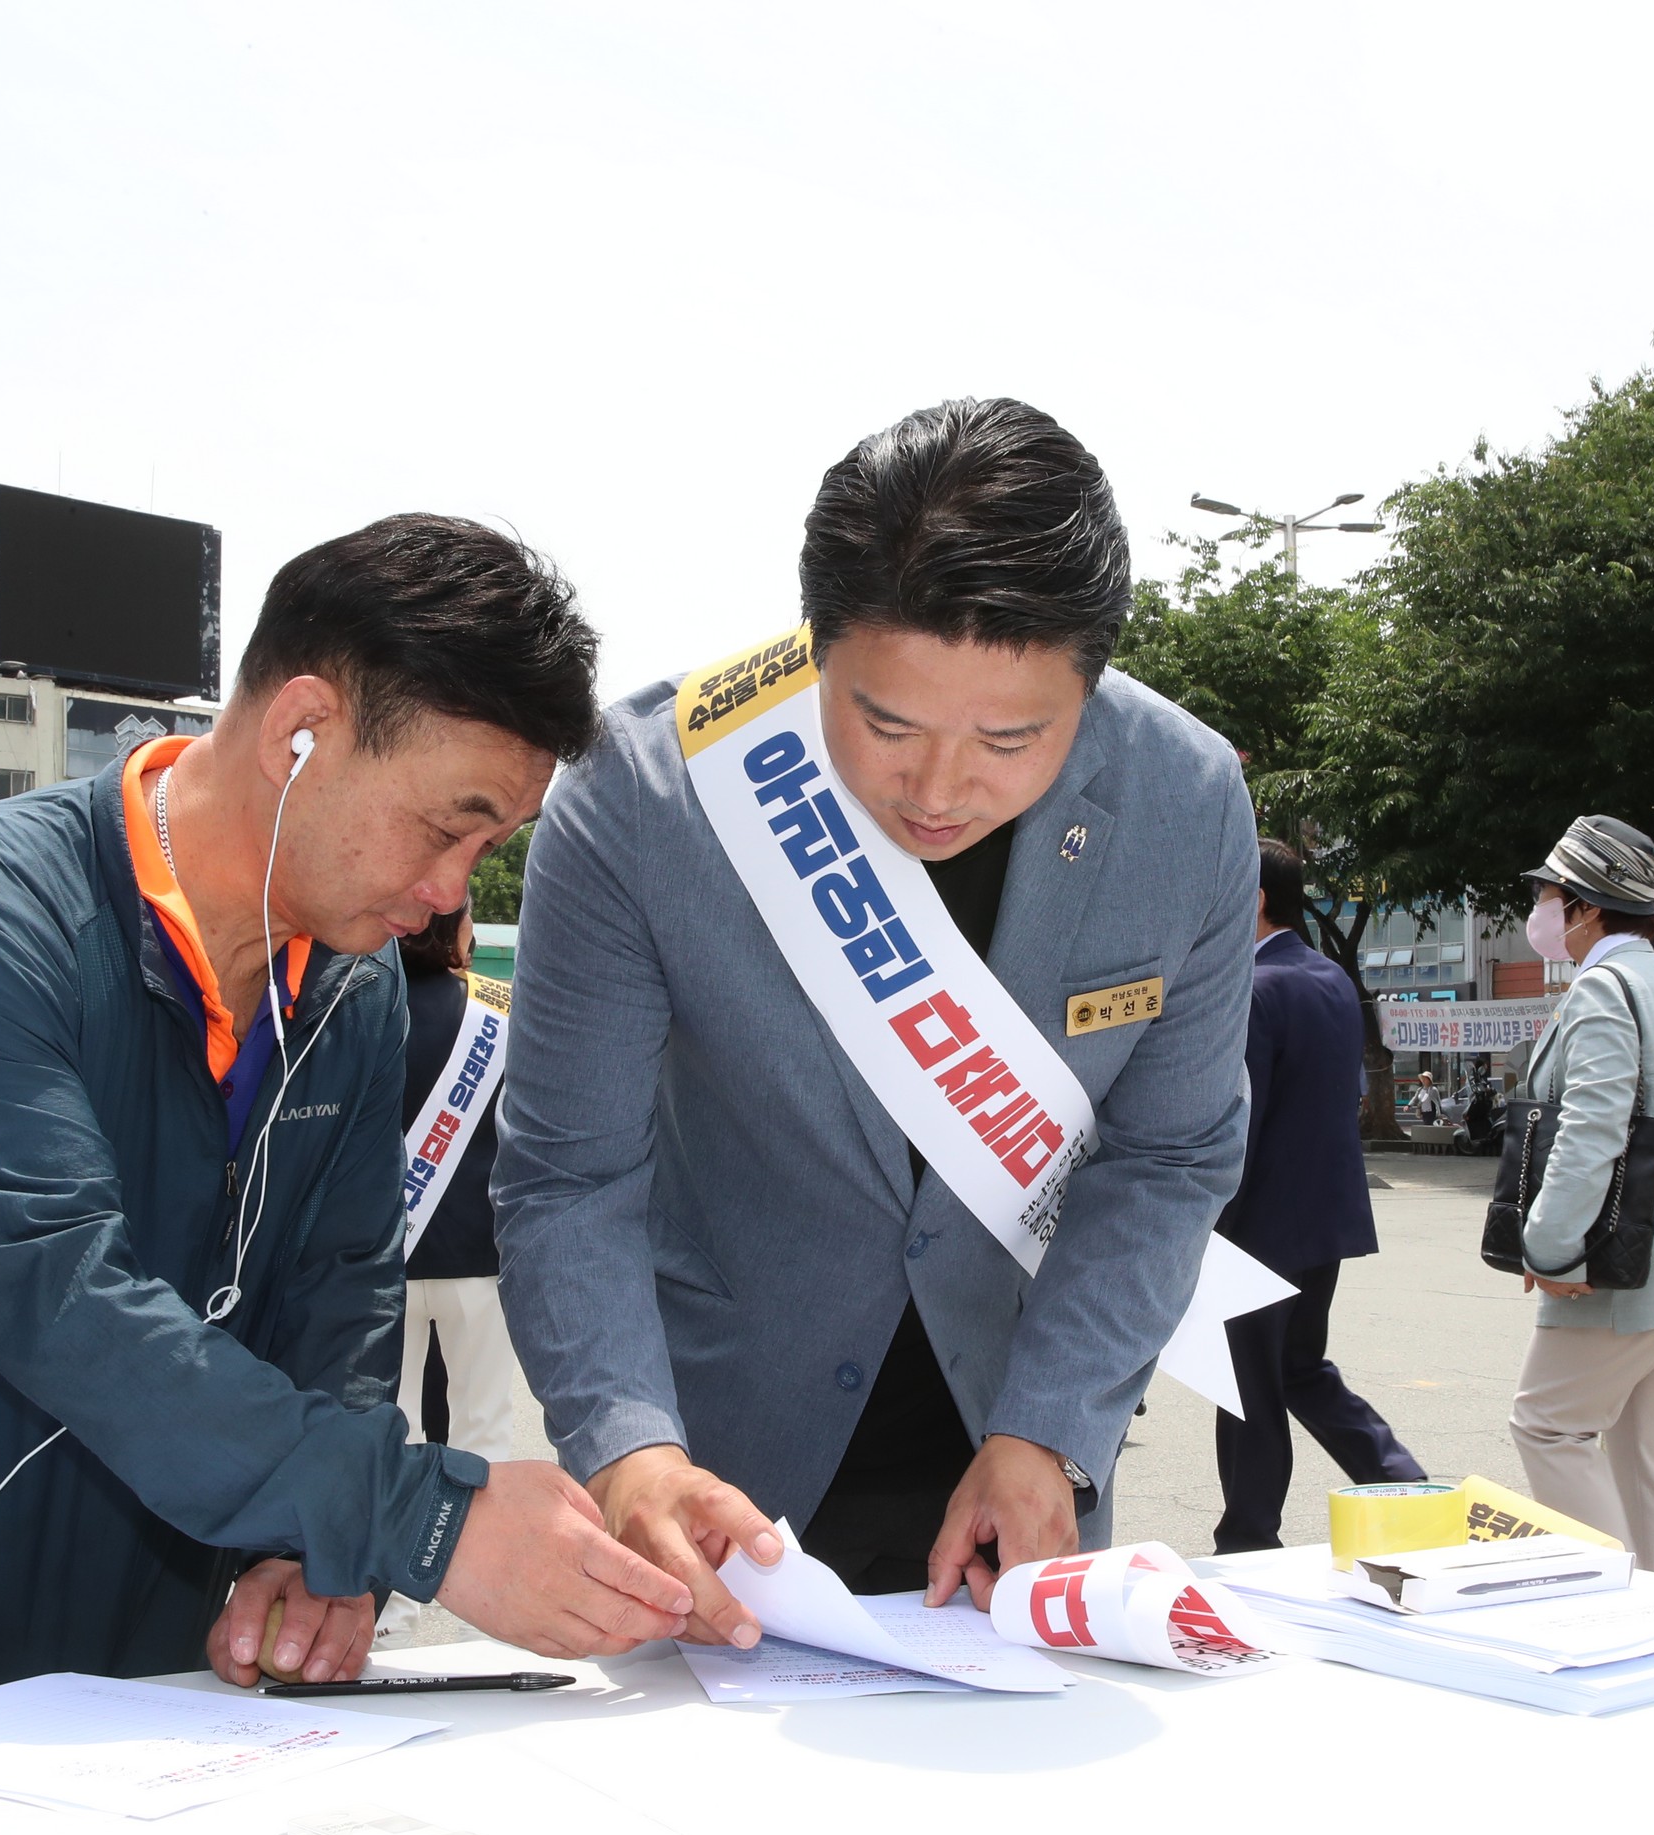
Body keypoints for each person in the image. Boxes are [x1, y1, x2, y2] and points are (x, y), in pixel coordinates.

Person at [0, 516, 695, 1718]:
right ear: (302, 731)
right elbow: (65, 1299)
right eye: (449, 826)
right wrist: (423, 1517)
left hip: (177, 1684)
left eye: (491, 844)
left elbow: (344, 1295)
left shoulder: (353, 981)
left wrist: (317, 1558)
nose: (452, 891)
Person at [497, 396, 1257, 1649]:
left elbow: (1171, 1153)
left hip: (1014, 1466)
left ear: (1094, 679)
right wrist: (628, 1448)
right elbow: (570, 1177)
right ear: (816, 646)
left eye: (1014, 739)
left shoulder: (1185, 800)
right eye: (885, 722)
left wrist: (1052, 1427)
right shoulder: (646, 795)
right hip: (713, 1483)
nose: (940, 788)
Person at [1503, 816, 1654, 1576]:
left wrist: (1549, 1245)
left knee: (1548, 1426)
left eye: (1547, 893)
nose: (1539, 908)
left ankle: (1613, 1596)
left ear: (1586, 906)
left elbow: (1591, 1131)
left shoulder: (1604, 989)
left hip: (1622, 1260)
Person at [1211, 839, 1424, 1553]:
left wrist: (1208, 1224)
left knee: (1246, 1387)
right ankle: (1404, 1483)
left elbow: (1240, 1121)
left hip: (1258, 1227)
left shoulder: (1253, 989)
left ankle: (1248, 1536)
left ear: (1255, 899)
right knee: (1300, 1369)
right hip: (1324, 1222)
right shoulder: (1329, 977)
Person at [396, 899, 525, 1452]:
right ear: (455, 930)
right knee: (483, 1430)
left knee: (387, 1431)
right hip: (478, 1254)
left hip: (384, 1253)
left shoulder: (361, 1008)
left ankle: (394, 1537)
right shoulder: (501, 1010)